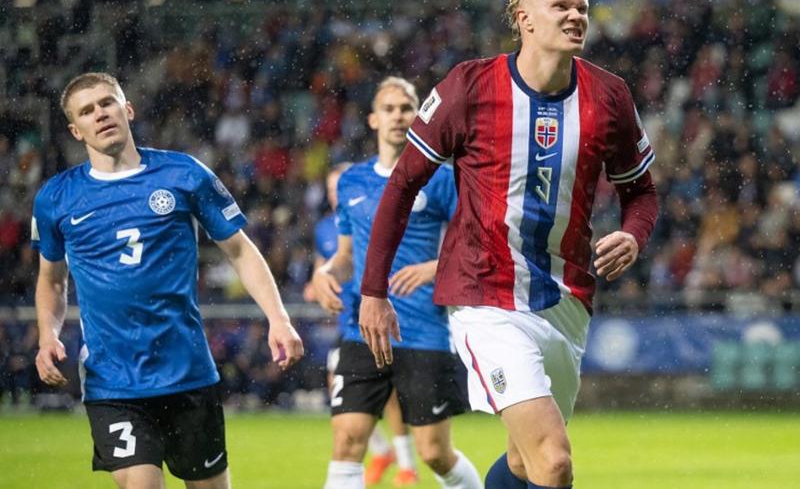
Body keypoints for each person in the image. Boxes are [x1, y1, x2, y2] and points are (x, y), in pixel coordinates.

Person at [359, 0, 659, 489]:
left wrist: (634, 233)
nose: (575, 16)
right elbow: (403, 184)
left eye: (582, 8)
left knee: (524, 464)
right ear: (524, 19)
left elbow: (642, 193)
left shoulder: (609, 97)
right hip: (485, 296)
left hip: (565, 301)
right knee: (554, 461)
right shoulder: (469, 87)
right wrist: (373, 290)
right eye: (560, 6)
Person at [32, 72, 304, 489]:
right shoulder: (57, 197)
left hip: (188, 372)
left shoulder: (183, 174)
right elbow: (51, 279)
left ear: (127, 109)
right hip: (113, 379)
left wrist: (278, 318)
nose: (100, 113)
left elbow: (239, 250)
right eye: (86, 110)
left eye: (107, 102)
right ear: (75, 129)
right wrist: (47, 335)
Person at [312, 77, 483, 489]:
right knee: (348, 439)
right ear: (373, 119)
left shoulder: (441, 179)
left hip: (422, 330)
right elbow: (346, 256)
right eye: (388, 109)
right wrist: (324, 274)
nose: (397, 116)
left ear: (418, 115)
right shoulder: (352, 181)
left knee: (434, 453)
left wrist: (432, 268)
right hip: (363, 330)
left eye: (406, 108)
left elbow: (476, 241)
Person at [305, 163, 419, 486]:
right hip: (349, 321)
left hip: (381, 317)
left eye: (336, 187)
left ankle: (407, 464)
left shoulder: (369, 217)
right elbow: (325, 266)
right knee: (339, 389)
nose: (332, 193)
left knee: (390, 394)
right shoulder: (325, 228)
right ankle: (383, 451)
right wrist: (318, 283)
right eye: (328, 189)